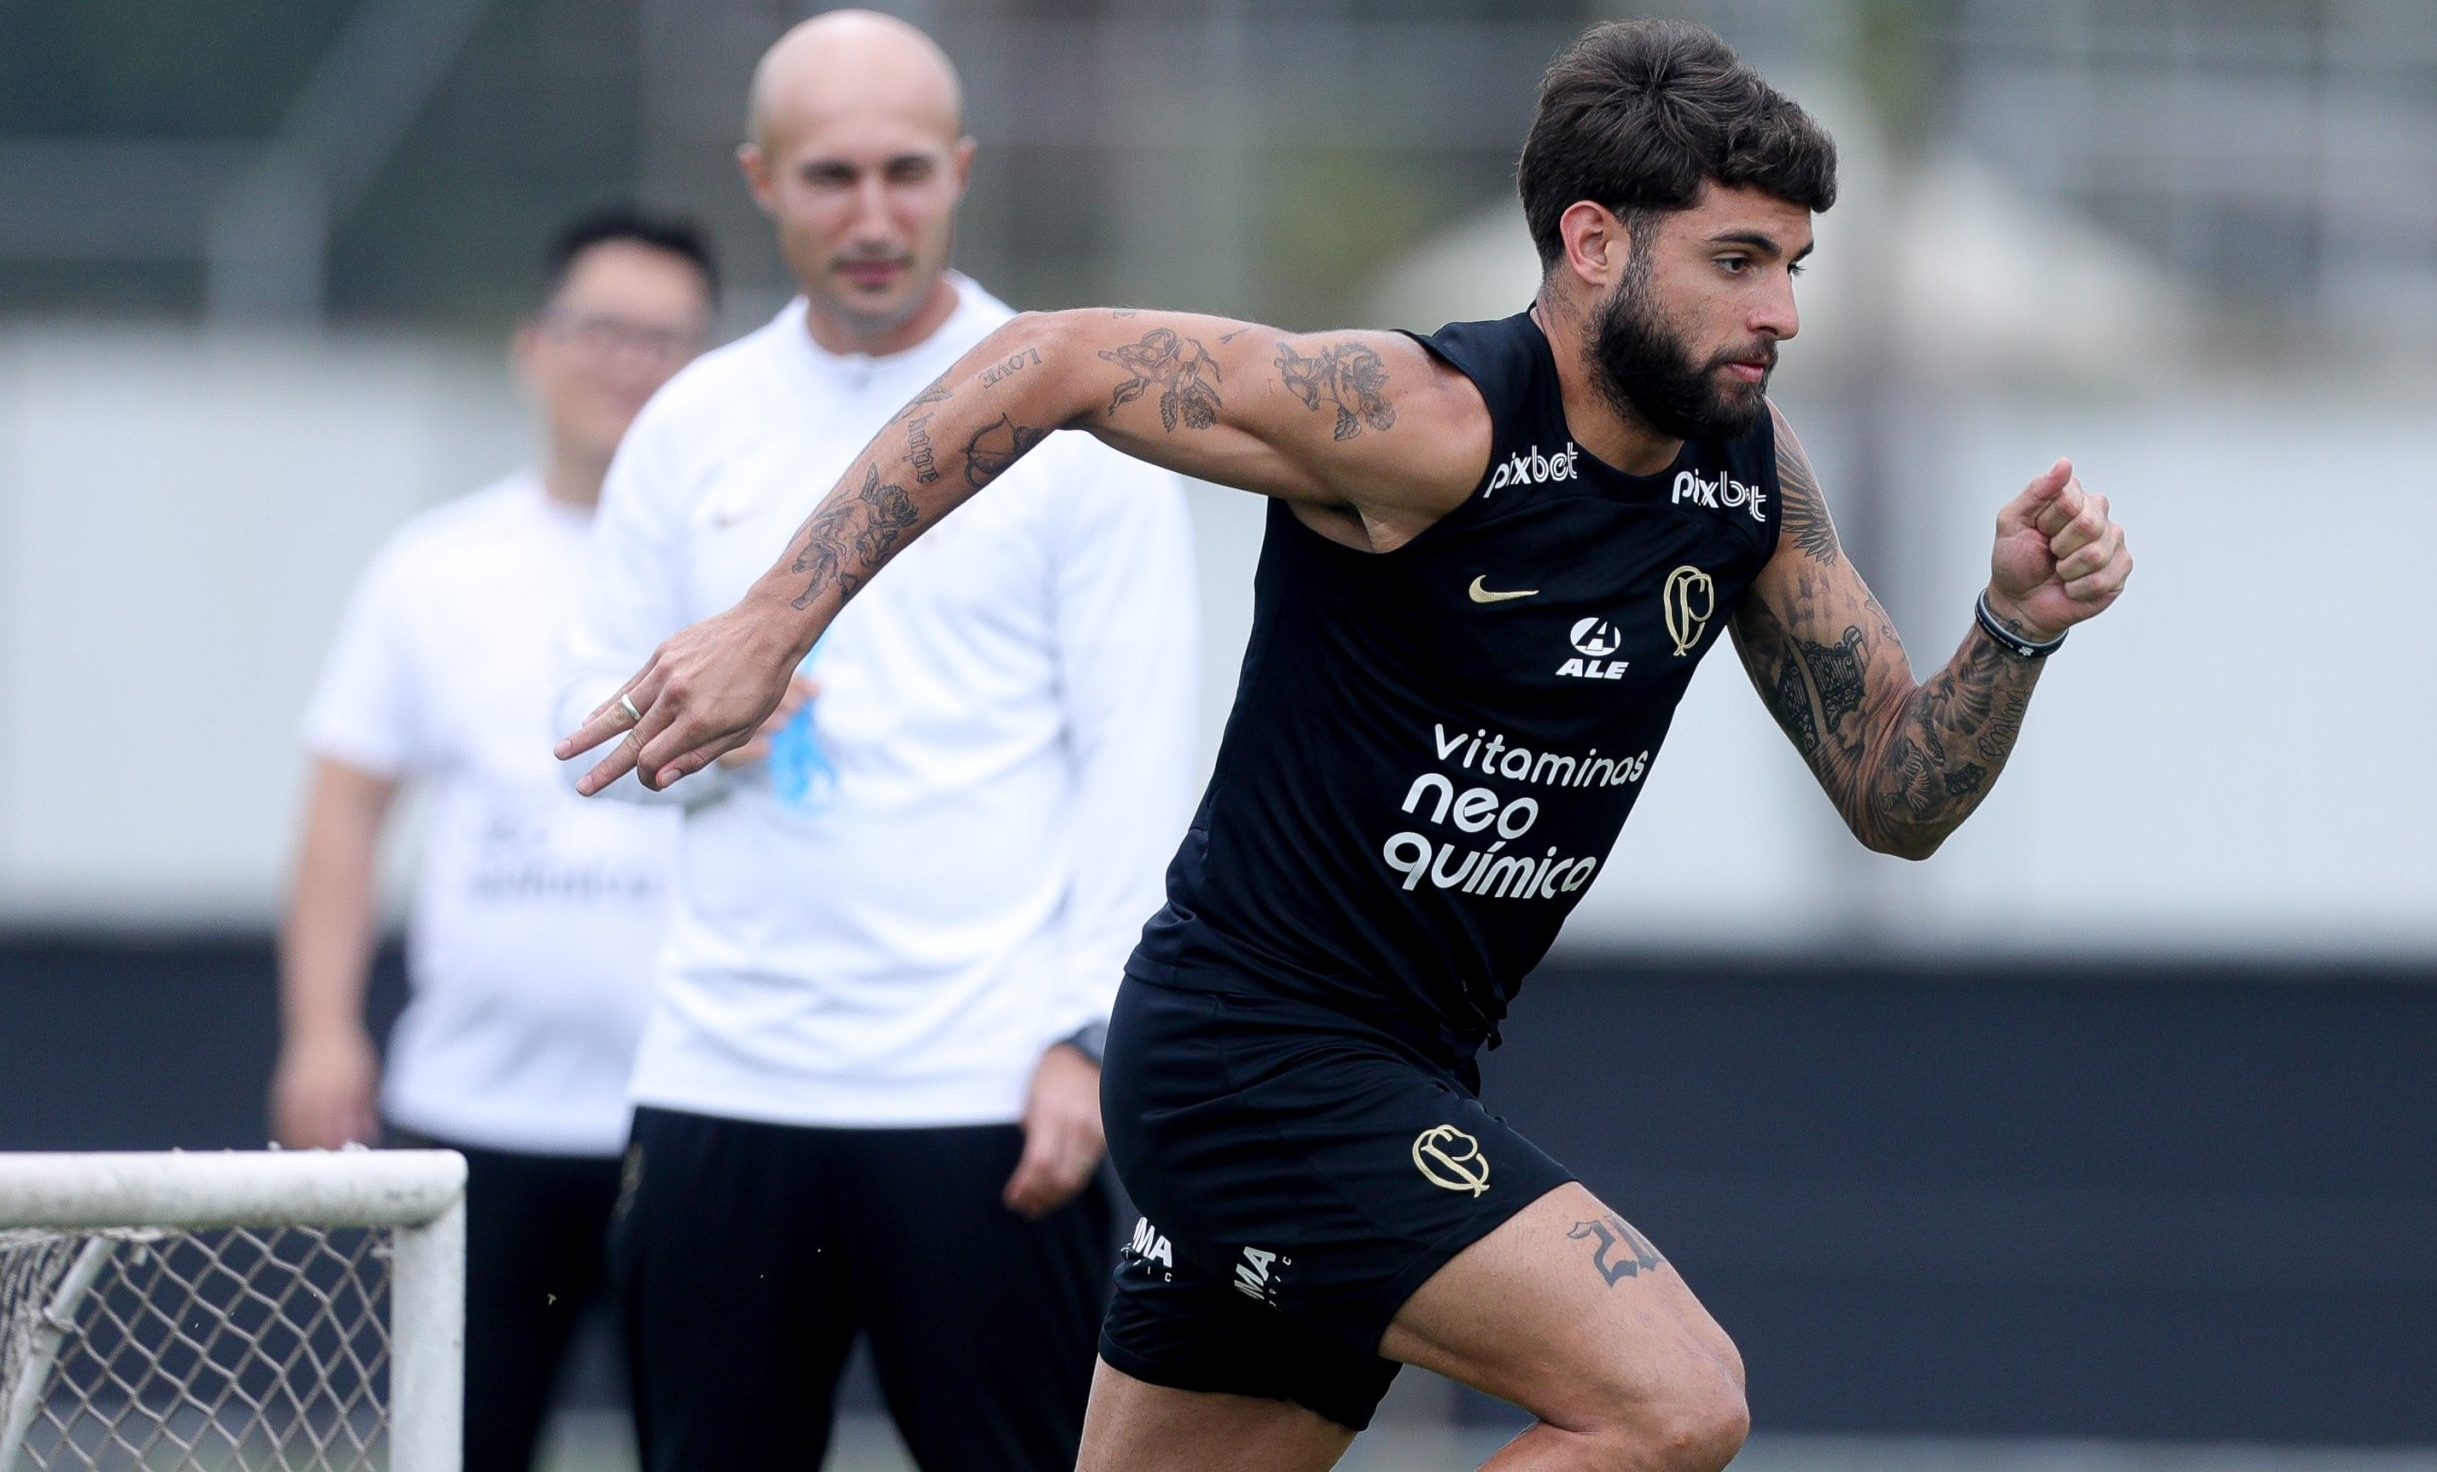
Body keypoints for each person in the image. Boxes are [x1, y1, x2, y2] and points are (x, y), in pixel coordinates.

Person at [563, 18, 2133, 1472]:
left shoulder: (1746, 475)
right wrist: (779, 621)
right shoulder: (1424, 419)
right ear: (1593, 242)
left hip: (1390, 1073)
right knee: (1674, 1398)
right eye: (1736, 261)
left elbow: (1896, 796)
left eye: (1792, 265)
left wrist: (2013, 629)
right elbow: (1051, 356)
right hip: (1250, 1065)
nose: (1781, 312)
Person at [552, 12, 1197, 1472]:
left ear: (961, 171)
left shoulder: (1073, 421)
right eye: (831, 175)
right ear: (761, 179)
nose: (873, 215)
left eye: (906, 172)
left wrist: (1084, 1044)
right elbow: (579, 722)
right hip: (721, 1077)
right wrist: (702, 736)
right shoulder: (690, 421)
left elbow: (1142, 762)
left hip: (983, 1099)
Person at [275, 205, 716, 1472]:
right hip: (472, 1123)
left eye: (666, 337)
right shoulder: (437, 566)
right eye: (601, 328)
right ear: (534, 345)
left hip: (695, 1112)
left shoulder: (762, 577)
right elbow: (345, 808)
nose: (628, 361)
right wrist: (321, 1026)